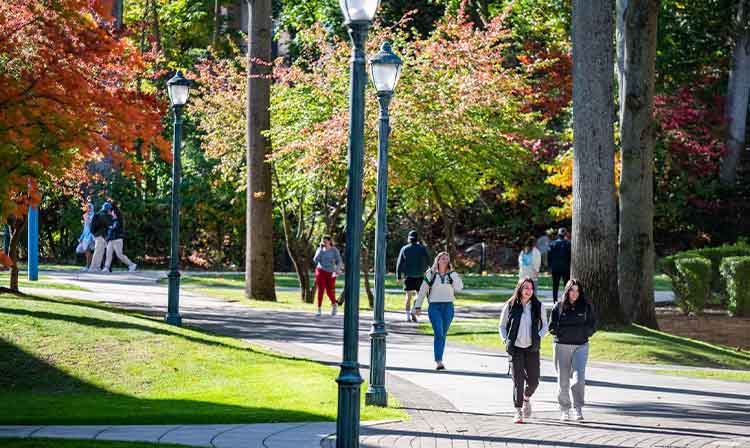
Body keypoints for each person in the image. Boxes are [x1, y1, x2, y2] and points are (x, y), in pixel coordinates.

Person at [499, 277, 548, 424]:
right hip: (515, 348)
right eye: (526, 287)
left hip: (532, 348)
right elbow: (502, 325)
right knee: (518, 382)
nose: (528, 291)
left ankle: (526, 398)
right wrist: (505, 340)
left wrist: (538, 336)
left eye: (531, 288)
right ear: (520, 288)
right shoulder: (511, 304)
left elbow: (545, 325)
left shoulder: (538, 306)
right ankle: (518, 410)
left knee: (534, 381)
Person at [549, 279, 596, 422]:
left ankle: (578, 408)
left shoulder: (586, 306)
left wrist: (585, 333)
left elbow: (593, 324)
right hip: (561, 346)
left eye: (577, 290)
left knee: (578, 379)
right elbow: (552, 326)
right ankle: (565, 409)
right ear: (567, 291)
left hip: (581, 346)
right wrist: (562, 333)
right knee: (563, 381)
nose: (574, 293)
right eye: (572, 290)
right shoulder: (559, 306)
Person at [413, 252, 463, 370]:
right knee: (439, 332)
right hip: (434, 307)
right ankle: (439, 361)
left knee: (443, 334)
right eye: (443, 259)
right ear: (438, 260)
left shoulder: (452, 274)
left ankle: (439, 358)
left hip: (448, 307)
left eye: (447, 259)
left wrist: (453, 275)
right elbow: (422, 290)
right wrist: (417, 306)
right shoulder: (431, 273)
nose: (445, 261)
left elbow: (459, 288)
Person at [396, 230, 430, 322]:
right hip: (419, 276)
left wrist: (398, 276)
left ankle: (407, 316)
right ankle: (413, 311)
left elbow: (399, 263)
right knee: (419, 296)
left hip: (408, 276)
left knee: (408, 296)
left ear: (409, 239)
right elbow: (428, 260)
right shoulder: (422, 248)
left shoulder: (404, 249)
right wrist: (429, 270)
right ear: (417, 239)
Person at [313, 236, 343, 317]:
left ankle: (334, 305)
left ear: (330, 241)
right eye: (323, 241)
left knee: (330, 291)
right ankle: (319, 309)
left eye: (325, 241)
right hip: (320, 271)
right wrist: (320, 250)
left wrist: (337, 269)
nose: (324, 243)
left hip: (331, 273)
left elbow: (339, 261)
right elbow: (315, 260)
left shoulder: (334, 250)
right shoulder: (320, 250)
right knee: (320, 290)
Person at [104, 203, 137, 273]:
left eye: (108, 211)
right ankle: (106, 267)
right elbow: (110, 229)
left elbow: (114, 228)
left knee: (119, 255)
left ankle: (132, 265)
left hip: (117, 239)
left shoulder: (118, 220)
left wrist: (111, 226)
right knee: (108, 253)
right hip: (111, 239)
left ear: (113, 212)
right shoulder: (112, 219)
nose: (107, 212)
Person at [548, 227, 572, 302]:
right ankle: (566, 300)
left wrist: (550, 266)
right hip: (565, 267)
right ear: (565, 234)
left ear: (558, 235)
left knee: (555, 285)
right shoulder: (569, 244)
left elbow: (549, 256)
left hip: (555, 267)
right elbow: (571, 256)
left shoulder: (552, 243)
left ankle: (554, 300)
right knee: (566, 285)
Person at [89, 202, 113, 272]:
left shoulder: (98, 214)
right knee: (98, 251)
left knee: (100, 252)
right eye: (110, 209)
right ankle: (93, 267)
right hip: (101, 235)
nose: (110, 211)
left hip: (97, 235)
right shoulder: (104, 215)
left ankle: (97, 267)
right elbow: (109, 224)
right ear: (108, 209)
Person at [75, 201, 95, 271]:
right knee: (87, 251)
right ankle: (88, 266)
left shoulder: (94, 216)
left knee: (91, 251)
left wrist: (87, 219)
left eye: (89, 208)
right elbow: (85, 228)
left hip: (92, 236)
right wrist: (81, 237)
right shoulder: (86, 216)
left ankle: (90, 266)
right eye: (87, 208)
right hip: (86, 236)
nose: (88, 209)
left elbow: (91, 226)